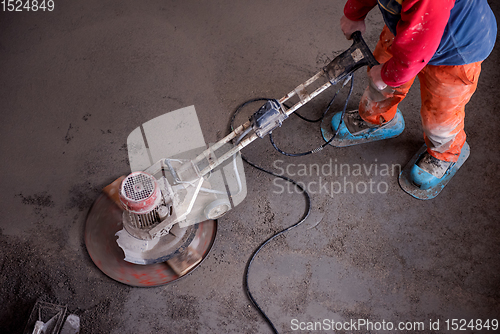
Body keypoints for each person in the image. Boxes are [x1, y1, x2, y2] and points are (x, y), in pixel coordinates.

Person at [332, 0, 497, 195]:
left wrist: (388, 75)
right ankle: (378, 118)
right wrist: (354, 13)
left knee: (440, 117)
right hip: (409, 29)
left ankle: (443, 154)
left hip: (456, 51)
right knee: (380, 76)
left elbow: (420, 48)